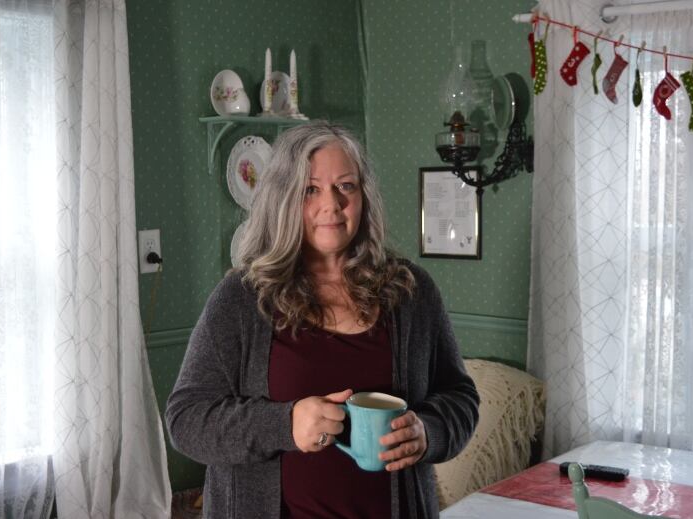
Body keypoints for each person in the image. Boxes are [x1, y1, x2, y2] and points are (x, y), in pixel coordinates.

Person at [165, 121, 479, 519]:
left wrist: (428, 433)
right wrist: (285, 424)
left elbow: (460, 398)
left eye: (345, 186)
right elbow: (186, 419)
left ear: (363, 195)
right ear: (284, 197)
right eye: (310, 189)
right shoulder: (242, 299)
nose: (331, 204)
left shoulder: (412, 292)